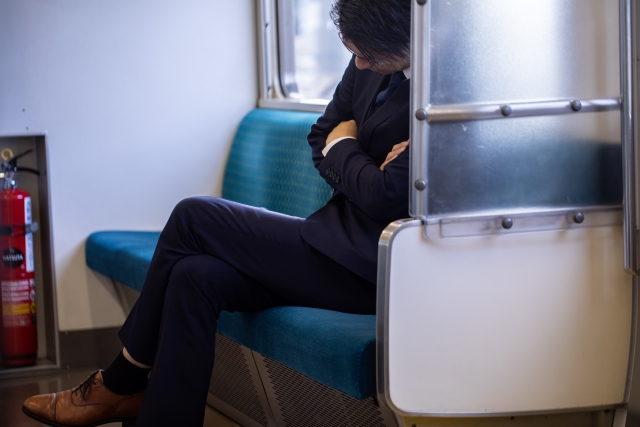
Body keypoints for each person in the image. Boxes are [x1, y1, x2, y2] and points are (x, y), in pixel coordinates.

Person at [22, 0, 412, 425]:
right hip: (334, 241)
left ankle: (119, 382)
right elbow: (321, 135)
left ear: (404, 37)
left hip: (372, 268)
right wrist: (359, 162)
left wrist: (345, 147)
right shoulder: (369, 63)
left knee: (193, 216)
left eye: (368, 55)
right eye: (353, 53)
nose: (358, 64)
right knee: (195, 276)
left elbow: (379, 194)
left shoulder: (439, 93)